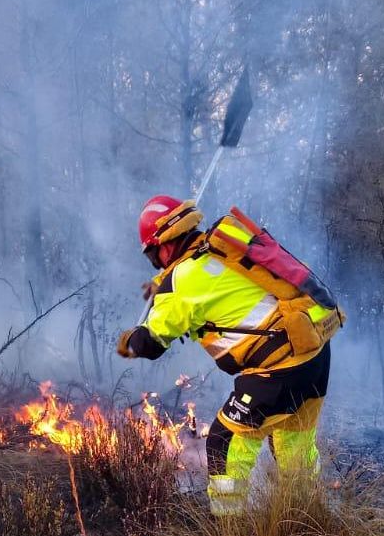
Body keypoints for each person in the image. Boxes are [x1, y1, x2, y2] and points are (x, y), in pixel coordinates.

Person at [116, 195, 340, 515]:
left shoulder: (180, 282)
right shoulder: (221, 247)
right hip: (313, 353)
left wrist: (131, 341)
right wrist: (163, 286)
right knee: (294, 447)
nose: (157, 263)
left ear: (164, 245)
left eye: (154, 255)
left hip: (279, 366)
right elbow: (208, 290)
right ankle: (310, 522)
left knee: (223, 440)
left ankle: (229, 533)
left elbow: (151, 343)